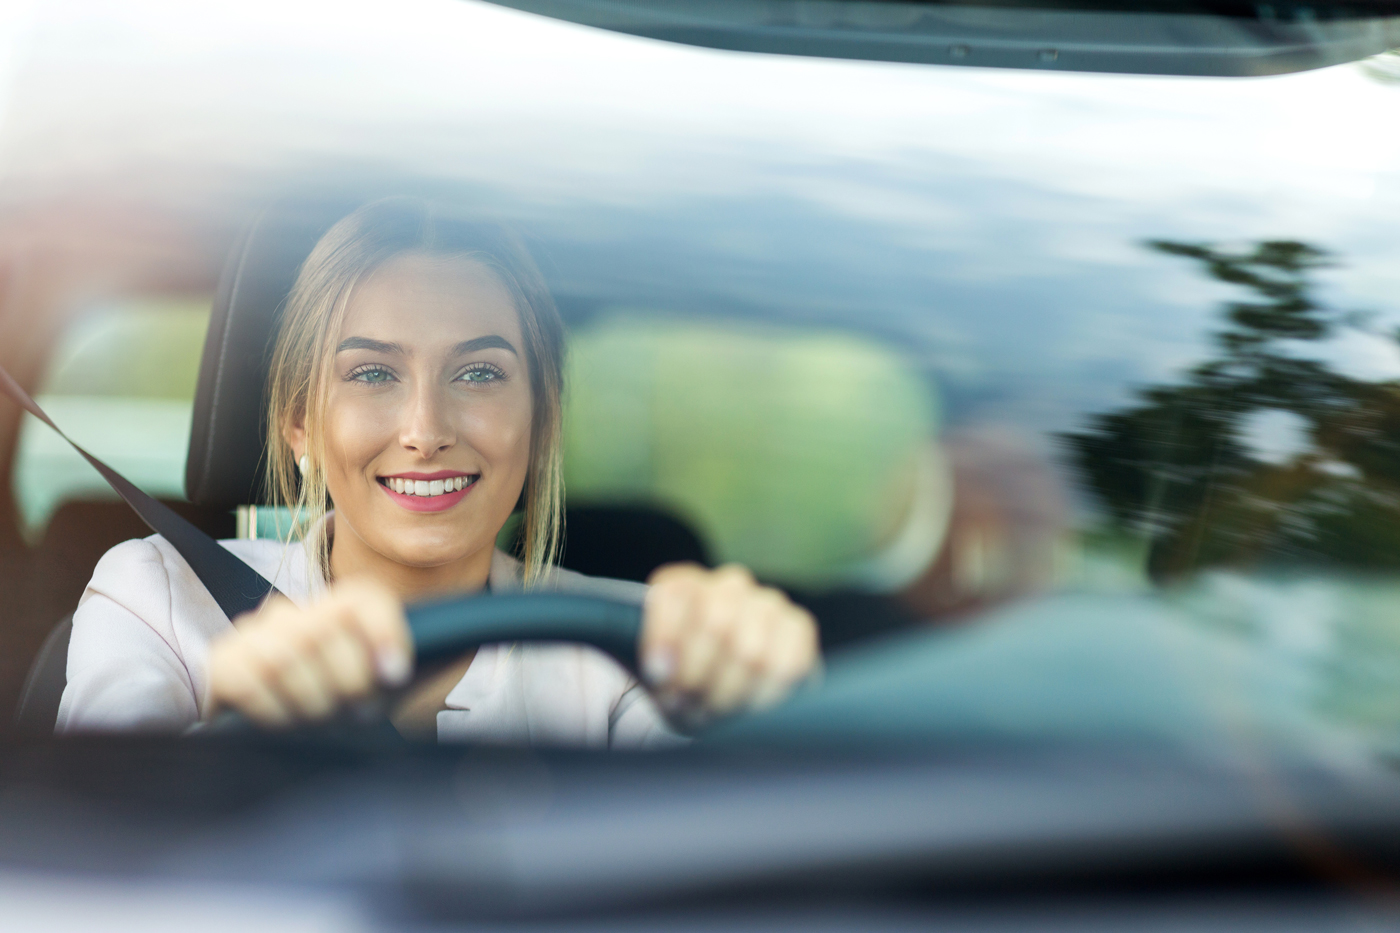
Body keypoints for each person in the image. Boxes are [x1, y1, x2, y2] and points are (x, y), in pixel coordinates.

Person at [55, 199, 819, 746]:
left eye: (480, 373)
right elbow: (92, 864)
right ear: (298, 420)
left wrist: (766, 719)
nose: (426, 430)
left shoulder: (633, 649)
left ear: (543, 419)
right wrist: (234, 742)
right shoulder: (157, 597)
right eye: (373, 374)